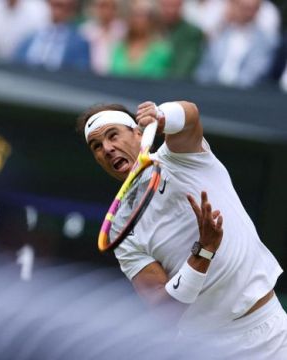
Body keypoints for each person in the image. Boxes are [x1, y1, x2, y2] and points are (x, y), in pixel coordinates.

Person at [76, 100, 287, 358]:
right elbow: (162, 307)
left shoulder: (180, 157)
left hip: (272, 331)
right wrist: (203, 253)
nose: (107, 148)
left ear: (139, 134)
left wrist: (161, 115)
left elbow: (190, 115)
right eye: (97, 146)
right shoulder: (120, 225)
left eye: (113, 135)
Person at [12, 0, 90, 71]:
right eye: (54, 5)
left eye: (63, 7)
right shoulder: (31, 37)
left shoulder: (79, 43)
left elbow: (79, 73)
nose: (57, 11)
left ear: (72, 11)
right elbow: (16, 63)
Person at [109, 0, 172, 79]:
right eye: (133, 14)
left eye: (141, 15)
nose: (136, 20)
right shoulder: (118, 48)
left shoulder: (161, 50)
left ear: (151, 19)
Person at [159, 0, 204, 79]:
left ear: (181, 6)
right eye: (165, 6)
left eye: (173, 6)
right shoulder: (153, 29)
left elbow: (183, 69)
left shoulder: (191, 33)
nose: (169, 10)